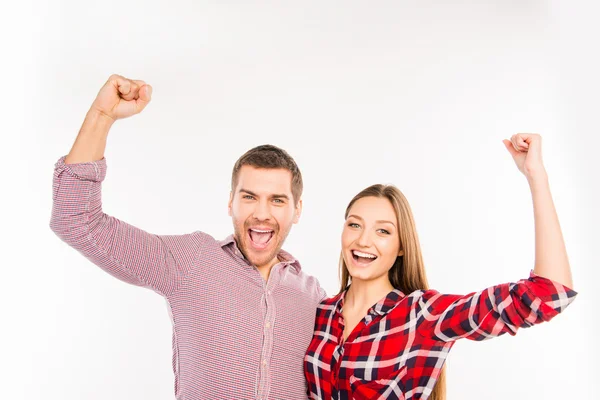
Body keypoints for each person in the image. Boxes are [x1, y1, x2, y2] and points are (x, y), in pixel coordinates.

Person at [50, 74, 325, 399]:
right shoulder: (191, 260)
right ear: (230, 202)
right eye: (249, 197)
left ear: (297, 210)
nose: (262, 213)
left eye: (277, 200)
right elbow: (76, 220)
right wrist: (102, 116)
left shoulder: (315, 297)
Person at [304, 134, 576, 400]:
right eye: (354, 224)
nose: (363, 240)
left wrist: (536, 176)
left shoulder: (422, 315)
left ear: (401, 246)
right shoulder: (321, 312)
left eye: (383, 231)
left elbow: (549, 293)